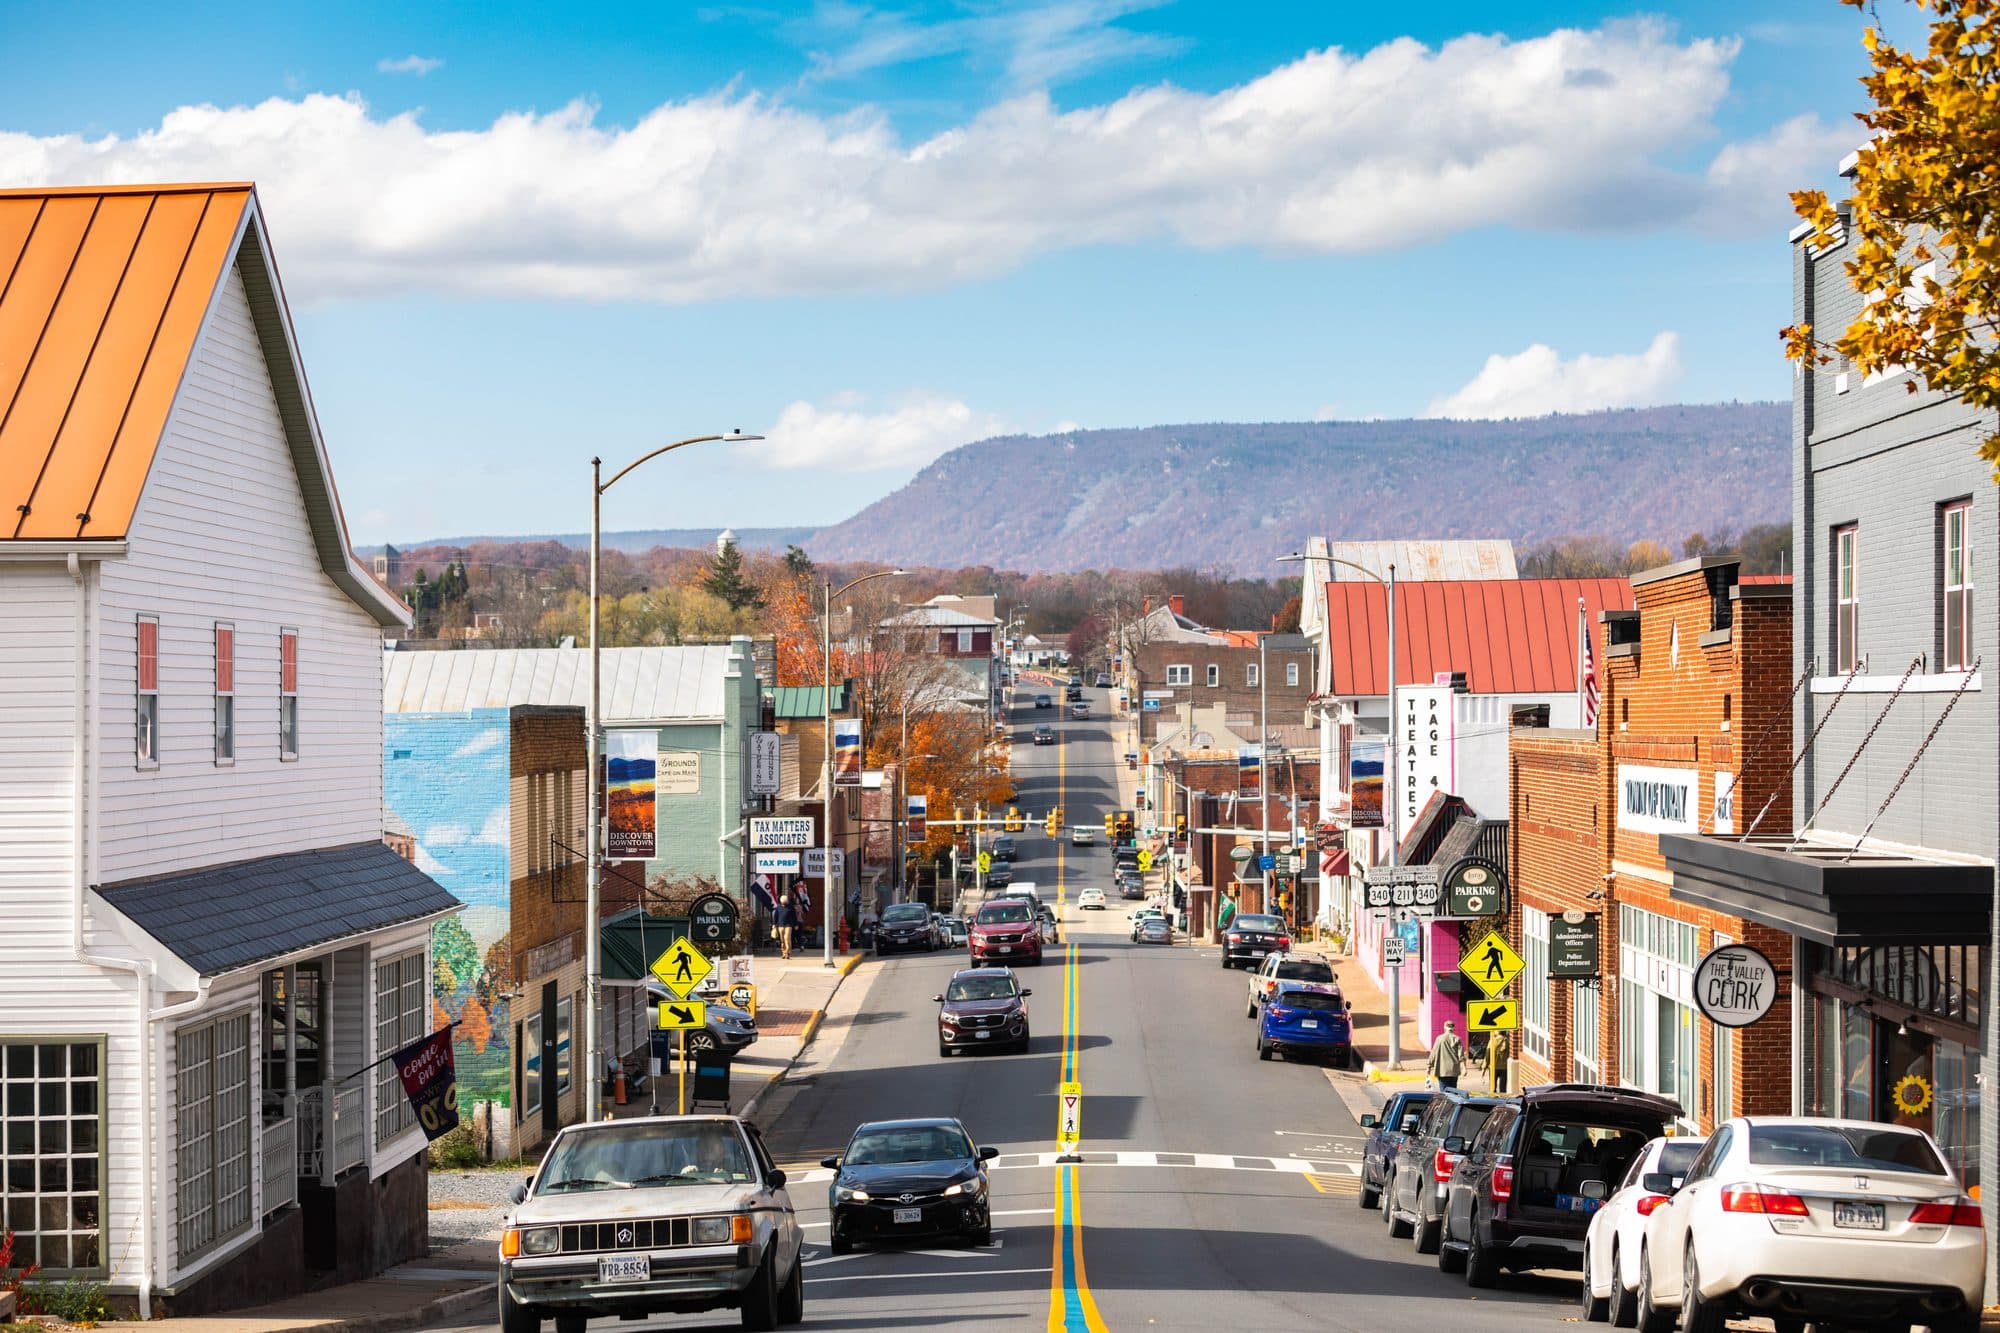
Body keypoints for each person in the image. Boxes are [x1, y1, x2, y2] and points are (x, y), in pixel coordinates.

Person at [1427, 1020, 1466, 1089]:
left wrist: (1429, 1067)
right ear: (1453, 1028)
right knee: (1453, 1092)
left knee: (1444, 1092)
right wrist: (1464, 1068)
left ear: (1444, 1027)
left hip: (1442, 1070)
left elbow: (1433, 1053)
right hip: (1454, 1071)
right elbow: (1461, 1056)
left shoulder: (1439, 1039)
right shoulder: (1457, 1039)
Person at [774, 893, 798, 960]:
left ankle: (788, 953)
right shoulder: (778, 907)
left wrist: (796, 924)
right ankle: (783, 953)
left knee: (787, 939)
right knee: (782, 940)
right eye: (784, 902)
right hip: (780, 925)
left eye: (786, 901)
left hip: (788, 925)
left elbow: (794, 916)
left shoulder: (791, 907)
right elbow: (776, 916)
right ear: (781, 901)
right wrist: (774, 924)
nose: (785, 903)